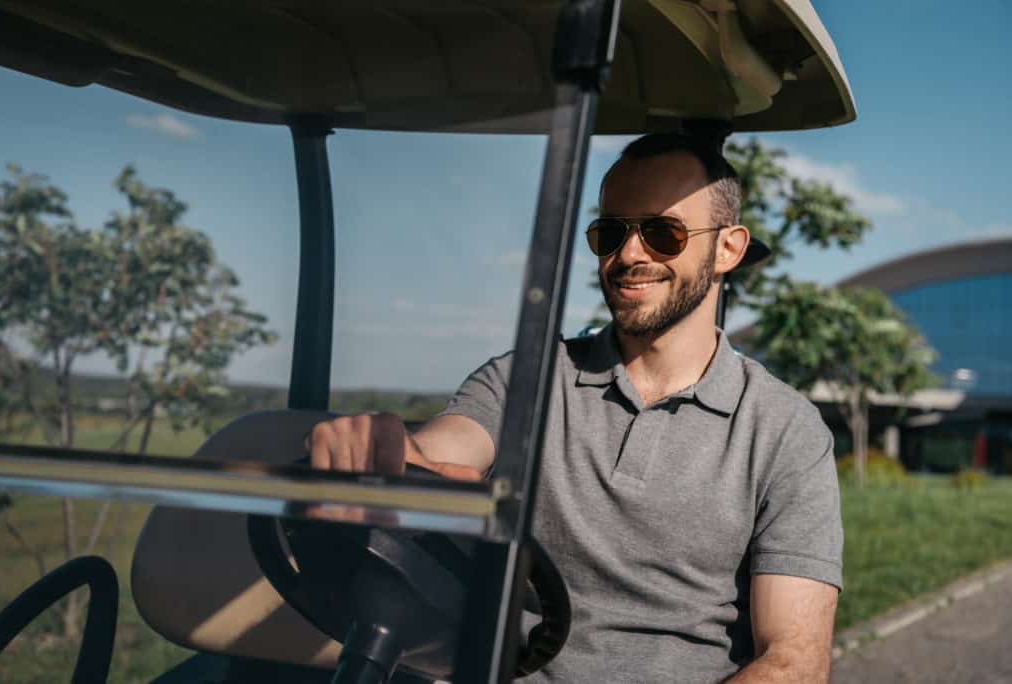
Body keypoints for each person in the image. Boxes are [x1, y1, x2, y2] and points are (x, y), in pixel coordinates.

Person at [308, 133, 843, 683]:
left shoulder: (786, 431)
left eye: (663, 233)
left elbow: (793, 662)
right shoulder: (526, 379)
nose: (630, 254)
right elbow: (443, 448)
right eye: (611, 232)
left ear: (727, 249)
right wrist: (389, 449)